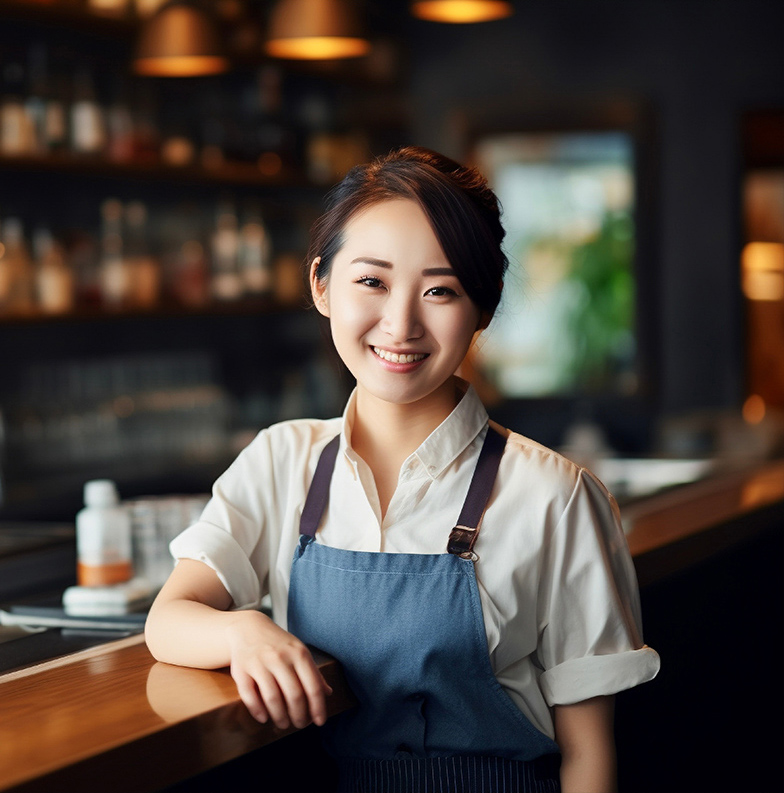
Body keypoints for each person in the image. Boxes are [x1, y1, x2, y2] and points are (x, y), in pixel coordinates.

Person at [144, 147, 660, 793]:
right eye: (372, 281)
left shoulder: (557, 496)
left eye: (440, 289)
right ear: (321, 286)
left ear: (484, 308)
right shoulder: (281, 462)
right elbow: (168, 619)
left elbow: (589, 760)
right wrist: (243, 628)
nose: (402, 322)